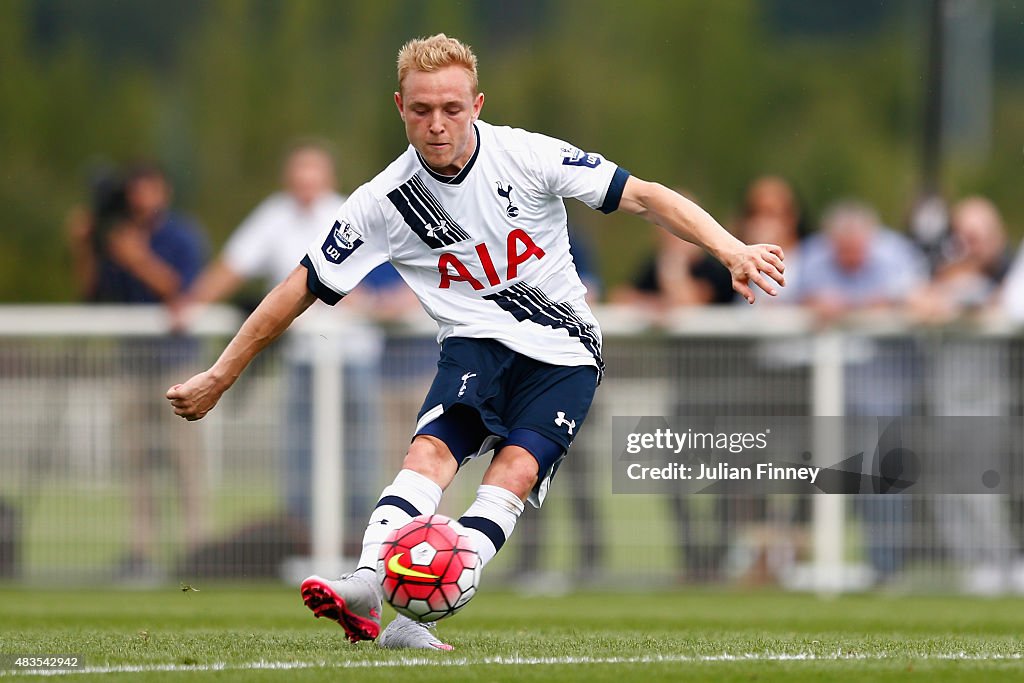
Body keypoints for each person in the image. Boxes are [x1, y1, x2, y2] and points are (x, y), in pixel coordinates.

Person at [166, 34, 785, 649]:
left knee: (510, 475)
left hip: (565, 351)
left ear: (478, 105)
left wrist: (730, 248)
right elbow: (299, 285)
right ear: (399, 108)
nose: (437, 124)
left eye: (452, 109)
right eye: (421, 110)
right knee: (429, 456)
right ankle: (365, 582)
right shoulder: (382, 202)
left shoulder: (529, 156)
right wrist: (221, 373)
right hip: (474, 344)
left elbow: (645, 197)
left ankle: (413, 619)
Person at [181, 141, 416, 553]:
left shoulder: (353, 208)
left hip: (354, 356)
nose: (306, 182)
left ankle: (360, 543)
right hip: (303, 359)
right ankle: (302, 542)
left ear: (328, 178)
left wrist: (385, 303)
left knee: (361, 454)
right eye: (299, 173)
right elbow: (234, 266)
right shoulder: (273, 217)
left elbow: (408, 269)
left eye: (314, 174)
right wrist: (191, 303)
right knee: (300, 452)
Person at [68, 162, 209, 580]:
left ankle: (196, 549)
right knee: (135, 461)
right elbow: (91, 292)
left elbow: (182, 291)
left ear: (162, 191)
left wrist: (137, 258)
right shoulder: (116, 237)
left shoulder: (182, 236)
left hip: (175, 363)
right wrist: (83, 246)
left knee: (185, 460)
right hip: (130, 364)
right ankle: (140, 550)